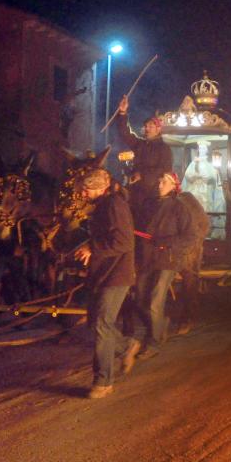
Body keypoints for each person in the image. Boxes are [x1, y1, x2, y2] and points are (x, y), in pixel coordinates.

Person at [74, 169, 140, 399]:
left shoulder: (115, 206)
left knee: (103, 323)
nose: (83, 193)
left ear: (102, 188)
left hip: (117, 275)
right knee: (96, 322)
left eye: (87, 189)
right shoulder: (102, 206)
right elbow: (105, 236)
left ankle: (103, 381)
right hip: (102, 274)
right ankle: (126, 346)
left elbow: (123, 241)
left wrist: (93, 248)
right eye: (83, 188)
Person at [135, 172, 198, 356]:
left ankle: (153, 343)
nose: (159, 184)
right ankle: (160, 324)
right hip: (148, 258)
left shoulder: (179, 207)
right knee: (139, 300)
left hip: (168, 260)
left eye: (164, 181)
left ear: (173, 186)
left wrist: (166, 242)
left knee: (155, 301)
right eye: (159, 180)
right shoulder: (149, 205)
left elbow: (191, 236)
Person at [115, 94, 173, 213]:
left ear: (158, 129)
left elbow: (165, 169)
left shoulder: (164, 149)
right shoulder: (140, 144)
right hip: (134, 192)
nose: (147, 128)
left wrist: (142, 175)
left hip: (153, 195)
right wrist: (122, 113)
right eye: (146, 126)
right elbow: (125, 133)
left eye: (151, 126)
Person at [175, 189, 210, 334]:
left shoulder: (186, 200)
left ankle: (188, 316)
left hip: (189, 247)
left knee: (189, 278)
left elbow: (203, 225)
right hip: (172, 247)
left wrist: (189, 246)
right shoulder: (161, 202)